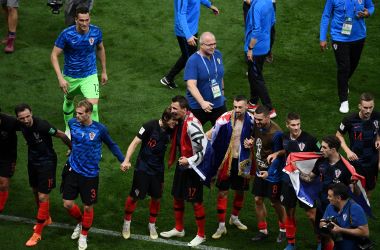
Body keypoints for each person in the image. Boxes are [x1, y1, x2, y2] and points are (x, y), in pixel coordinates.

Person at [61, 100, 124, 250]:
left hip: (90, 174)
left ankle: (84, 235)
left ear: (89, 113)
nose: (77, 116)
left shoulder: (99, 129)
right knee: (67, 204)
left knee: (88, 206)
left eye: (80, 113)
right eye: (76, 113)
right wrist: (72, 149)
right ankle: (80, 221)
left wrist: (123, 160)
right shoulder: (72, 123)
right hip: (73, 168)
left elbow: (112, 144)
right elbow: (73, 140)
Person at [15, 103, 71, 247]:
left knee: (43, 195)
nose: (26, 120)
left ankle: (37, 234)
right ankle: (45, 218)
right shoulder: (18, 124)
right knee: (35, 191)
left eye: (28, 116)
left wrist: (73, 149)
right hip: (32, 160)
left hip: (47, 161)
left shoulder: (42, 125)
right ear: (18, 118)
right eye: (22, 118)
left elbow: (61, 134)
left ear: (31, 113)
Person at [120, 107, 177, 240]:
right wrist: (126, 160)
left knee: (157, 197)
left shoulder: (172, 129)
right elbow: (134, 143)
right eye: (173, 120)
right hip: (143, 168)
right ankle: (126, 223)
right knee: (135, 196)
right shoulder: (149, 126)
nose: (176, 122)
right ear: (165, 118)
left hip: (158, 170)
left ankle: (152, 224)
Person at [160, 95, 208, 247]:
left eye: (175, 108)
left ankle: (201, 235)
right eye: (171, 107)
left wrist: (190, 160)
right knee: (177, 196)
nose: (172, 110)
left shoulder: (192, 125)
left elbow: (204, 149)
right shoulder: (180, 121)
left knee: (195, 201)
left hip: (193, 168)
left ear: (184, 110)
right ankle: (179, 228)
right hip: (183, 165)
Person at [51, 6, 107, 135]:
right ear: (76, 19)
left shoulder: (96, 32)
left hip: (90, 75)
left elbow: (100, 48)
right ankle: (68, 129)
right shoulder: (66, 34)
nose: (84, 23)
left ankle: (93, 136)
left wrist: (104, 70)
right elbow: (54, 55)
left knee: (93, 106)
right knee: (69, 100)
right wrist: (60, 78)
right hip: (70, 77)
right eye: (81, 20)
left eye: (87, 20)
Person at [206, 95, 254, 239]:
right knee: (223, 192)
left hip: (243, 160)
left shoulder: (252, 120)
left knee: (241, 191)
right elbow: (212, 132)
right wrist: (200, 140)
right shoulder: (224, 118)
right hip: (226, 161)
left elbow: (259, 135)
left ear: (246, 106)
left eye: (240, 107)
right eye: (235, 107)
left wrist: (252, 140)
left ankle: (234, 217)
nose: (237, 110)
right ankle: (221, 226)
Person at [319, 0, 375, 113]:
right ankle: (343, 100)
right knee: (344, 67)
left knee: (353, 64)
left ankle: (344, 82)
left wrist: (368, 13)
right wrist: (322, 37)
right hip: (339, 38)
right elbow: (326, 15)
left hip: (359, 36)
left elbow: (371, 6)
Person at [245, 105, 286, 242]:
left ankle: (284, 229)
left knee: (275, 202)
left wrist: (271, 172)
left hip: (273, 173)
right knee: (257, 199)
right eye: (256, 119)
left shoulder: (276, 133)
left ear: (268, 117)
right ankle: (263, 230)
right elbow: (254, 137)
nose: (257, 122)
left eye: (260, 120)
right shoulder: (257, 124)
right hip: (259, 170)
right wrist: (250, 141)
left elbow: (282, 154)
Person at [281, 112, 321, 250]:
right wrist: (276, 154)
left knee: (311, 214)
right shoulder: (284, 137)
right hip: (289, 181)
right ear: (287, 125)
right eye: (293, 125)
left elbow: (321, 156)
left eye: (298, 124)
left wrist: (313, 174)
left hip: (305, 183)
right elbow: (285, 153)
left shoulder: (310, 139)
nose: (296, 127)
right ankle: (291, 243)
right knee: (290, 212)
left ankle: (320, 241)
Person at [160, 0, 219, 89]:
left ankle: (168, 78)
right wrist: (188, 35)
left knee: (187, 56)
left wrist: (209, 5)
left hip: (192, 29)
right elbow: (181, 14)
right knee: (191, 59)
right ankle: (196, 86)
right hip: (185, 32)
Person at [336, 93, 380, 199]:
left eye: (371, 107)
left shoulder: (377, 117)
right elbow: (338, 135)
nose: (368, 111)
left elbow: (378, 132)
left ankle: (364, 211)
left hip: (372, 161)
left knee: (369, 189)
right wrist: (347, 151)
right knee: (356, 191)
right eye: (365, 108)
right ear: (359, 106)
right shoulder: (349, 119)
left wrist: (378, 139)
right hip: (356, 161)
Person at [184, 31, 227, 126]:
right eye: (209, 45)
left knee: (223, 133)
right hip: (198, 107)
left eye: (214, 43)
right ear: (201, 45)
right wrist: (202, 102)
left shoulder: (217, 54)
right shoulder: (193, 61)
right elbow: (191, 85)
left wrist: (222, 91)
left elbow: (219, 75)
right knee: (191, 135)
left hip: (218, 103)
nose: (213, 47)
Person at [245, 0, 277, 118]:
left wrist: (250, 48)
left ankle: (269, 108)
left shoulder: (257, 7)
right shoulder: (268, 2)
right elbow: (273, 21)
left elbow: (256, 30)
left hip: (256, 48)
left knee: (257, 77)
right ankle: (253, 102)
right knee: (253, 74)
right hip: (265, 44)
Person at [320, 183, 369, 250]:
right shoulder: (330, 206)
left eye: (330, 196)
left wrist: (340, 230)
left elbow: (365, 232)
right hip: (336, 246)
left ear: (338, 198)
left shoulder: (355, 208)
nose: (327, 198)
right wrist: (325, 225)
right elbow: (322, 222)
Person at [0, 108, 18, 213]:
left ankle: (0, 207)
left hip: (7, 156)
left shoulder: (10, 122)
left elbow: (27, 126)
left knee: (3, 183)